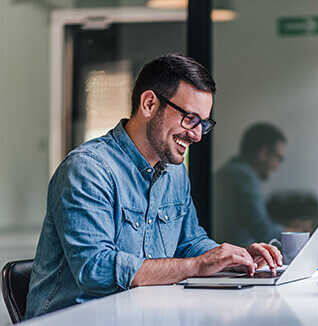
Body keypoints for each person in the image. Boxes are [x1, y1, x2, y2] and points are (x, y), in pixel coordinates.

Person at [25, 54, 281, 319]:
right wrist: (197, 265)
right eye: (190, 118)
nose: (196, 134)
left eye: (203, 124)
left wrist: (233, 261)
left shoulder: (175, 172)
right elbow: (95, 270)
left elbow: (189, 243)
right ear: (149, 104)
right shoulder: (88, 170)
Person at [214, 123, 287, 247]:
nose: (277, 166)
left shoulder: (231, 171)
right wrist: (292, 232)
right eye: (278, 158)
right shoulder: (244, 177)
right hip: (237, 257)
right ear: (263, 153)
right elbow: (264, 232)